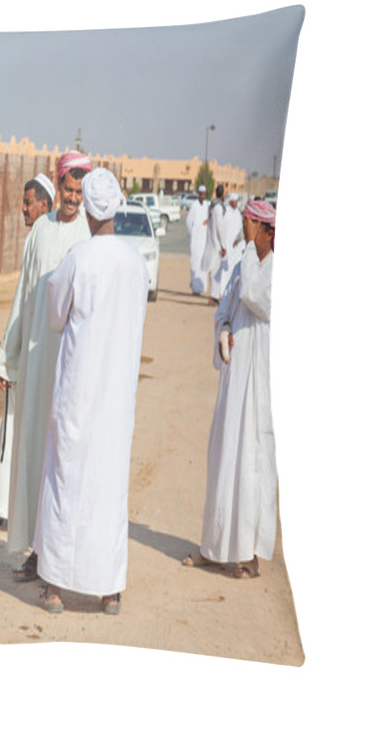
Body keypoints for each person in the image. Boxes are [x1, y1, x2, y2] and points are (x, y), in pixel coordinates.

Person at [32, 167, 148, 615]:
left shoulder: (79, 258)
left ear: (89, 210)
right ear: (116, 206)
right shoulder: (136, 264)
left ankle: (56, 587)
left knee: (66, 482)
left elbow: (55, 314)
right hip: (116, 399)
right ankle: (109, 590)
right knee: (108, 486)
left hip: (78, 393)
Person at [0, 151, 92, 580]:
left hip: (70, 368)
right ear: (59, 187)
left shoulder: (91, 239)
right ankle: (36, 552)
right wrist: (9, 358)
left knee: (65, 459)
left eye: (78, 192)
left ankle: (62, 556)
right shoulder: (40, 232)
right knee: (34, 454)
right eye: (67, 190)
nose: (72, 199)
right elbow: (22, 297)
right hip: (37, 363)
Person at [183, 198, 277, 579]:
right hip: (233, 379)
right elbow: (226, 309)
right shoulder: (242, 265)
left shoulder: (269, 268)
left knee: (252, 461)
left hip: (259, 383)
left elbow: (257, 298)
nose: (245, 228)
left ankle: (249, 555)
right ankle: (213, 546)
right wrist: (222, 332)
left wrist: (253, 253)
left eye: (251, 223)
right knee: (223, 458)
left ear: (268, 230)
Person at [0, 173, 55, 526]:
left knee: (13, 430)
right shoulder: (52, 238)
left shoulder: (39, 239)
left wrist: (7, 359)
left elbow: (23, 304)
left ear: (44, 205)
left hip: (30, 357)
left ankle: (3, 506)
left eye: (28, 203)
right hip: (46, 355)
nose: (23, 209)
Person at [201, 184, 227, 304]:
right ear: (222, 195)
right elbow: (219, 227)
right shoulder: (218, 208)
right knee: (216, 271)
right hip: (216, 244)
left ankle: (214, 296)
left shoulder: (212, 206)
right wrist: (223, 246)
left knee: (214, 270)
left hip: (212, 242)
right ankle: (213, 296)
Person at [218, 192, 244, 296]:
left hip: (236, 248)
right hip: (227, 246)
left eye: (237, 201)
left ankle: (230, 291)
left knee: (234, 268)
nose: (236, 203)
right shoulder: (226, 212)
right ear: (230, 201)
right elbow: (222, 229)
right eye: (235, 201)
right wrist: (223, 245)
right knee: (225, 269)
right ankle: (221, 291)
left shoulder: (238, 213)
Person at [186, 184, 210, 295]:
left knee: (203, 264)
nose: (203, 196)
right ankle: (195, 289)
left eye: (204, 194)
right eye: (201, 194)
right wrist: (192, 235)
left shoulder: (207, 205)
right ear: (198, 194)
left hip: (204, 241)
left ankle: (201, 288)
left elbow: (209, 220)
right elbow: (188, 222)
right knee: (195, 264)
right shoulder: (194, 206)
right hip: (195, 241)